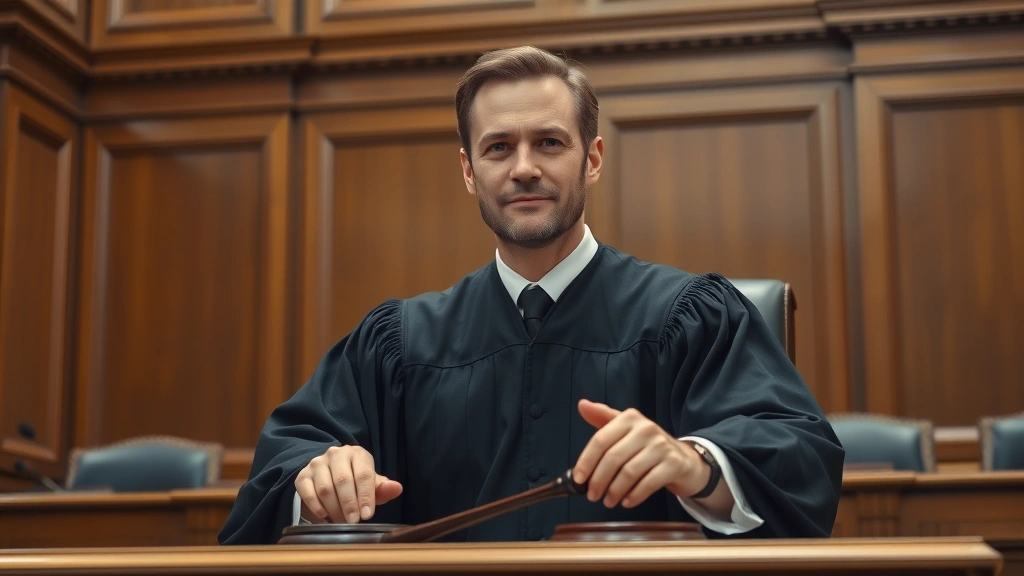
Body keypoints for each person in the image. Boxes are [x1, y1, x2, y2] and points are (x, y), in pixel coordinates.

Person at [218, 45, 844, 545]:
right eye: (498, 148)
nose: (523, 168)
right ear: (470, 171)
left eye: (549, 142)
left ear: (592, 158)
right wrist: (316, 482)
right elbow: (282, 466)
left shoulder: (690, 317)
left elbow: (800, 454)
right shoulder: (399, 344)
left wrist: (698, 465)